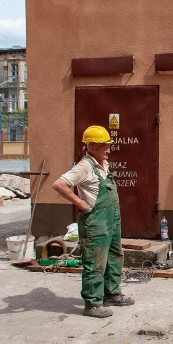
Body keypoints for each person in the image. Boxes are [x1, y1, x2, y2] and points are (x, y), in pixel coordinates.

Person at [52, 125, 134, 318]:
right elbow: (59, 184)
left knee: (115, 255)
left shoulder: (103, 164)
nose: (109, 149)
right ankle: (92, 304)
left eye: (108, 145)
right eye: (104, 145)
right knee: (95, 261)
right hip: (95, 221)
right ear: (92, 146)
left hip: (111, 219)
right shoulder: (85, 166)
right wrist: (81, 203)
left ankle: (112, 293)